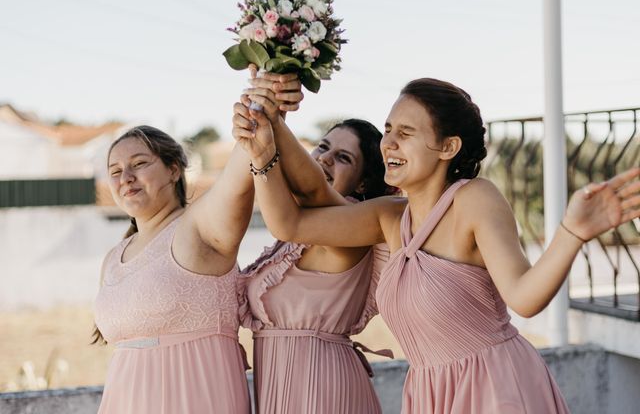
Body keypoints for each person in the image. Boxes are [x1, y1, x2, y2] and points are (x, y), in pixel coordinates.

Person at [234, 77, 640, 414]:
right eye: (388, 130)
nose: (388, 144)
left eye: (405, 133)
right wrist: (262, 149)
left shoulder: (474, 199)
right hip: (430, 393)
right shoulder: (390, 217)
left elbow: (525, 297)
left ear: (448, 147)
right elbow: (288, 223)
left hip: (495, 389)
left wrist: (571, 232)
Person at [93, 77, 302, 414]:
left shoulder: (198, 229)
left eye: (139, 164)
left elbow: (241, 166)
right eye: (114, 170)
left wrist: (264, 98)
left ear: (174, 169)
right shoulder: (113, 259)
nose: (125, 178)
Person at [232, 78, 396, 414]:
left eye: (343, 157)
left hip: (322, 391)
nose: (324, 159)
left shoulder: (354, 227)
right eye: (322, 147)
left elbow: (312, 191)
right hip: (281, 392)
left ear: (363, 181)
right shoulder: (294, 238)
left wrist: (271, 122)